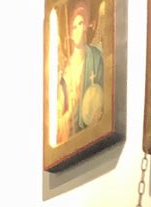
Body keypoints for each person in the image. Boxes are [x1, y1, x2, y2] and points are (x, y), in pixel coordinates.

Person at [57, 4, 105, 143]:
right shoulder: (66, 73)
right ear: (70, 33)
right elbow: (58, 121)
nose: (78, 29)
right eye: (74, 27)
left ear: (86, 26)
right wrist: (69, 114)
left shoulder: (95, 56)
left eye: (81, 23)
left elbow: (103, 96)